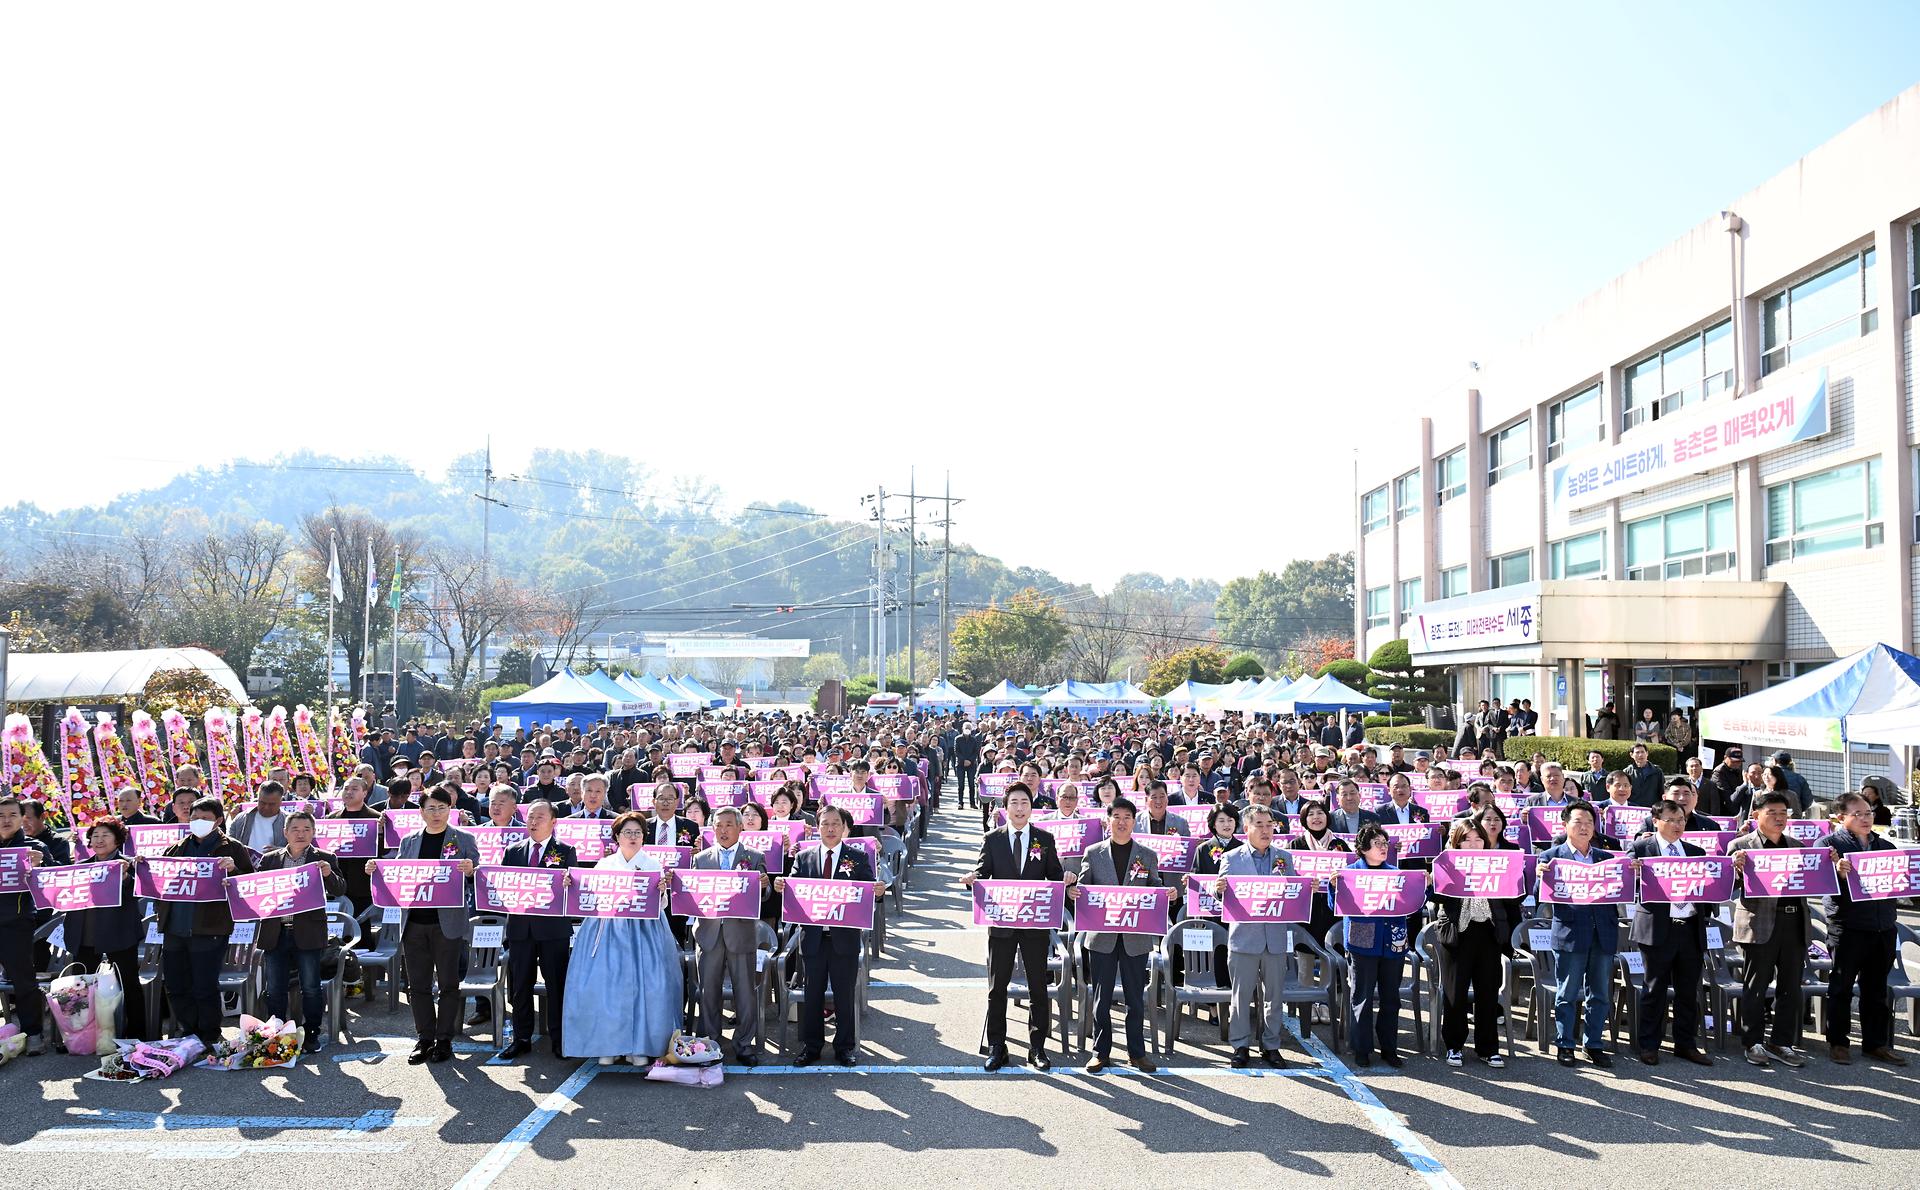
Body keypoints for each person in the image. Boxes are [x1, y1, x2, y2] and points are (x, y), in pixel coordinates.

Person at [562, 810, 682, 1066]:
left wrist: (661, 891)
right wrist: (572, 884)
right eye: (627, 832)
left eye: (637, 832)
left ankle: (639, 1046)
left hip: (645, 932)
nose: (633, 837)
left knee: (645, 987)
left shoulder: (652, 864)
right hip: (607, 930)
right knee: (606, 987)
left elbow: (661, 905)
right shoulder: (605, 864)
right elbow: (590, 896)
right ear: (617, 836)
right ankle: (608, 1044)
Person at [965, 782, 1069, 1071]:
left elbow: (1055, 875)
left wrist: (1066, 880)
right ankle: (998, 1046)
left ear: (1031, 806)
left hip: (1034, 925)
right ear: (1005, 808)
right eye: (1014, 803)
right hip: (1002, 924)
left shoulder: (1044, 839)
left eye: (1025, 802)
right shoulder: (993, 839)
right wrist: (973, 876)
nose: (1020, 808)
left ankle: (1037, 1047)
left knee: (1038, 985)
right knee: (998, 986)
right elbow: (983, 872)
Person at [374, 787, 478, 1064]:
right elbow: (397, 874)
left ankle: (444, 1040)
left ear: (450, 810)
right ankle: (424, 1038)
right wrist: (376, 870)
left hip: (448, 924)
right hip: (414, 923)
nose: (436, 814)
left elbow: (477, 879)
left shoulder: (464, 838)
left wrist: (470, 872)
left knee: (448, 984)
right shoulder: (409, 841)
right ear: (421, 812)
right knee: (418, 985)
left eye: (442, 808)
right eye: (430, 808)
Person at [776, 805, 879, 1066]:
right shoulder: (805, 857)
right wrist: (781, 886)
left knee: (844, 995)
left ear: (845, 828)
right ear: (817, 827)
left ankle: (845, 1047)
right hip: (812, 939)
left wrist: (877, 892)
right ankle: (812, 1047)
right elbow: (795, 891)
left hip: (843, 939)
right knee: (813, 995)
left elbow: (868, 894)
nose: (830, 829)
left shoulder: (857, 858)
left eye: (835, 824)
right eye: (825, 824)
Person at [1728, 791, 1818, 1068]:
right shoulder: (1742, 845)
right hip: (1760, 923)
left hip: (1794, 922)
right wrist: (1736, 868)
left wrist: (1828, 863)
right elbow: (1730, 886)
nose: (1779, 818)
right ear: (1756, 815)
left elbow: (1814, 881)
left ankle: (1782, 1042)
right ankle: (1752, 1041)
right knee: (1756, 984)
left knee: (1791, 985)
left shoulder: (1797, 845)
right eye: (1772, 813)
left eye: (1784, 813)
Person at [157, 796, 254, 1050]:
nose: (197, 822)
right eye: (194, 817)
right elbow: (159, 880)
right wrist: (144, 867)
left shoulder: (232, 848)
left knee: (204, 985)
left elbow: (249, 886)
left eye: (204, 818)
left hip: (210, 927)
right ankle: (189, 1030)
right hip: (175, 927)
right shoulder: (176, 848)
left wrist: (233, 871)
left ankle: (209, 1033)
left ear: (219, 821)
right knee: (176, 984)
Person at [1821, 793, 1907, 1066]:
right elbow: (1821, 884)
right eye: (1857, 814)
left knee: (1876, 989)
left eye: (1868, 812)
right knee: (1841, 987)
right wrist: (1839, 874)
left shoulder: (1886, 846)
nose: (1865, 818)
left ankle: (1875, 1043)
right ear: (1840, 817)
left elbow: (1901, 883)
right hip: (1848, 927)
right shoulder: (1829, 845)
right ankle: (1838, 1042)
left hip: (1882, 927)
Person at [1074, 796, 1159, 1074]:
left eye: (1127, 818)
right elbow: (1085, 888)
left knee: (1135, 998)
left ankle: (1137, 1053)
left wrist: (1168, 893)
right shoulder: (1093, 852)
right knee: (1102, 997)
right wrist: (1073, 890)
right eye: (1117, 817)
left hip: (1135, 938)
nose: (1122, 823)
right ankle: (1100, 1052)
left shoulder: (1147, 855)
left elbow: (1154, 887)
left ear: (1135, 822)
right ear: (1108, 820)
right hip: (1102, 936)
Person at [1627, 800, 1715, 1066]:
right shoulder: (1641, 849)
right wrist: (1633, 873)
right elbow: (1625, 886)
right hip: (1657, 929)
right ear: (1656, 821)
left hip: (1689, 927)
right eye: (1672, 819)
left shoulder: (1695, 851)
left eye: (1682, 820)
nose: (1678, 825)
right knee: (1654, 989)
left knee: (1689, 990)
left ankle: (1685, 1043)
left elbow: (1710, 888)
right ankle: (1649, 1045)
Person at [253, 810, 347, 1052]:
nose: (301, 834)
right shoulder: (270, 860)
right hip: (276, 932)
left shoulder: (324, 858)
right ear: (285, 832)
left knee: (311, 987)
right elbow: (257, 891)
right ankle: (277, 1034)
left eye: (306, 829)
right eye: (295, 829)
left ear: (314, 833)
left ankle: (312, 1033)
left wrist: (328, 873)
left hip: (308, 932)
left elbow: (339, 888)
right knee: (274, 987)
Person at [1214, 806, 1297, 1068]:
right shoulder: (1232, 857)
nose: (1265, 830)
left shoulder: (1284, 857)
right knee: (1241, 995)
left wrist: (1306, 887)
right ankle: (1240, 1046)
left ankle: (1271, 1046)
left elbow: (1293, 891)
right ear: (1246, 828)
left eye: (1269, 825)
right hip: (1244, 937)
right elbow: (1222, 893)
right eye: (1259, 825)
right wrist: (1219, 890)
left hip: (1274, 937)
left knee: (1274, 995)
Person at [1536, 800, 1618, 1067]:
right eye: (1578, 822)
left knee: (1601, 994)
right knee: (1568, 992)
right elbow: (1537, 891)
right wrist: (1540, 875)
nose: (1584, 827)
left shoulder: (1606, 858)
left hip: (1602, 933)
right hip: (1570, 933)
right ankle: (1565, 1043)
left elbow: (1621, 890)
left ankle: (1593, 1043)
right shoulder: (1551, 857)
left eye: (1589, 823)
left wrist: (1633, 873)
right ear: (1565, 825)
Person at [495, 800, 576, 1061]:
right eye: (530, 817)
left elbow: (574, 892)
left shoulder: (565, 850)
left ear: (553, 822)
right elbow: (503, 885)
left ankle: (560, 1039)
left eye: (540, 817)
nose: (533, 821)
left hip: (553, 930)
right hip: (520, 928)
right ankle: (521, 1038)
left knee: (556, 985)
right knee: (520, 985)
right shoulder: (513, 851)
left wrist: (569, 883)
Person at [691, 807, 769, 1065]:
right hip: (709, 933)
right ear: (712, 829)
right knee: (708, 991)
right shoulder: (701, 859)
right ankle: (709, 1043)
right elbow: (692, 896)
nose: (723, 830)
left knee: (745, 992)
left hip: (741, 933)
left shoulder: (754, 856)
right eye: (718, 826)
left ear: (739, 828)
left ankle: (744, 1045)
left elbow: (764, 899)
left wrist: (765, 887)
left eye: (728, 825)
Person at [1431, 816, 1510, 1068]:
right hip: (1457, 932)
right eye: (1467, 840)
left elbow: (1514, 898)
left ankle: (1488, 1047)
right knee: (1456, 991)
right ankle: (1454, 1045)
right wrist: (1432, 878)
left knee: (1488, 990)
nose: (1474, 844)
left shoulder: (1498, 863)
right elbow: (1435, 896)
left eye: (1478, 839)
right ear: (1456, 842)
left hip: (1489, 931)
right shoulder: (1446, 863)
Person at [65, 818, 148, 1041]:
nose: (99, 840)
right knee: (81, 988)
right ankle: (81, 1036)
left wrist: (127, 878)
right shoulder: (80, 867)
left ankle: (137, 1034)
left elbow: (140, 892)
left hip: (119, 935)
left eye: (106, 835)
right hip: (85, 935)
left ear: (118, 840)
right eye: (95, 836)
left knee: (128, 983)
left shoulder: (129, 865)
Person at [1338, 823, 1411, 1069]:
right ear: (1363, 848)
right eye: (1377, 843)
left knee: (1391, 997)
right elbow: (1335, 906)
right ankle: (1362, 1048)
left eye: (1385, 843)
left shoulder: (1395, 872)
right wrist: (1332, 886)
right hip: (1362, 941)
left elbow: (1414, 903)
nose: (1383, 848)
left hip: (1393, 941)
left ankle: (1389, 1048)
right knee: (1363, 996)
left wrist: (1424, 883)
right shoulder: (1349, 873)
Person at [0, 798, 50, 1054]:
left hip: (16, 923)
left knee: (23, 980)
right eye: (1, 815)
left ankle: (33, 1033)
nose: (6, 820)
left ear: (23, 819)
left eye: (12, 814)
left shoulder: (33, 848)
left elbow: (56, 883)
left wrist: (40, 867)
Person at [230, 780, 290, 855]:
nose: (266, 807)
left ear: (281, 801)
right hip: (245, 865)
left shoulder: (290, 821)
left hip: (276, 865)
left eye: (271, 804)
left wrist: (282, 851)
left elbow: (300, 849)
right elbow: (229, 845)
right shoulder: (241, 818)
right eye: (262, 802)